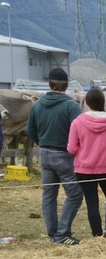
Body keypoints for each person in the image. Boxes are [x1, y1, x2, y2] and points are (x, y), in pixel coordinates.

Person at [25, 67, 84, 245]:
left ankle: (53, 233)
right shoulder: (71, 106)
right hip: (64, 154)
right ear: (66, 85)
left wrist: (42, 142)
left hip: (44, 153)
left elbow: (30, 131)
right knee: (74, 195)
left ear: (49, 83)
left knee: (49, 195)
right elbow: (79, 132)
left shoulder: (37, 105)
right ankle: (62, 233)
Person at [68, 87, 106, 245]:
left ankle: (97, 237)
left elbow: (72, 148)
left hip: (84, 169)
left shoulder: (78, 122)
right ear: (103, 102)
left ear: (87, 103)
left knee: (92, 203)